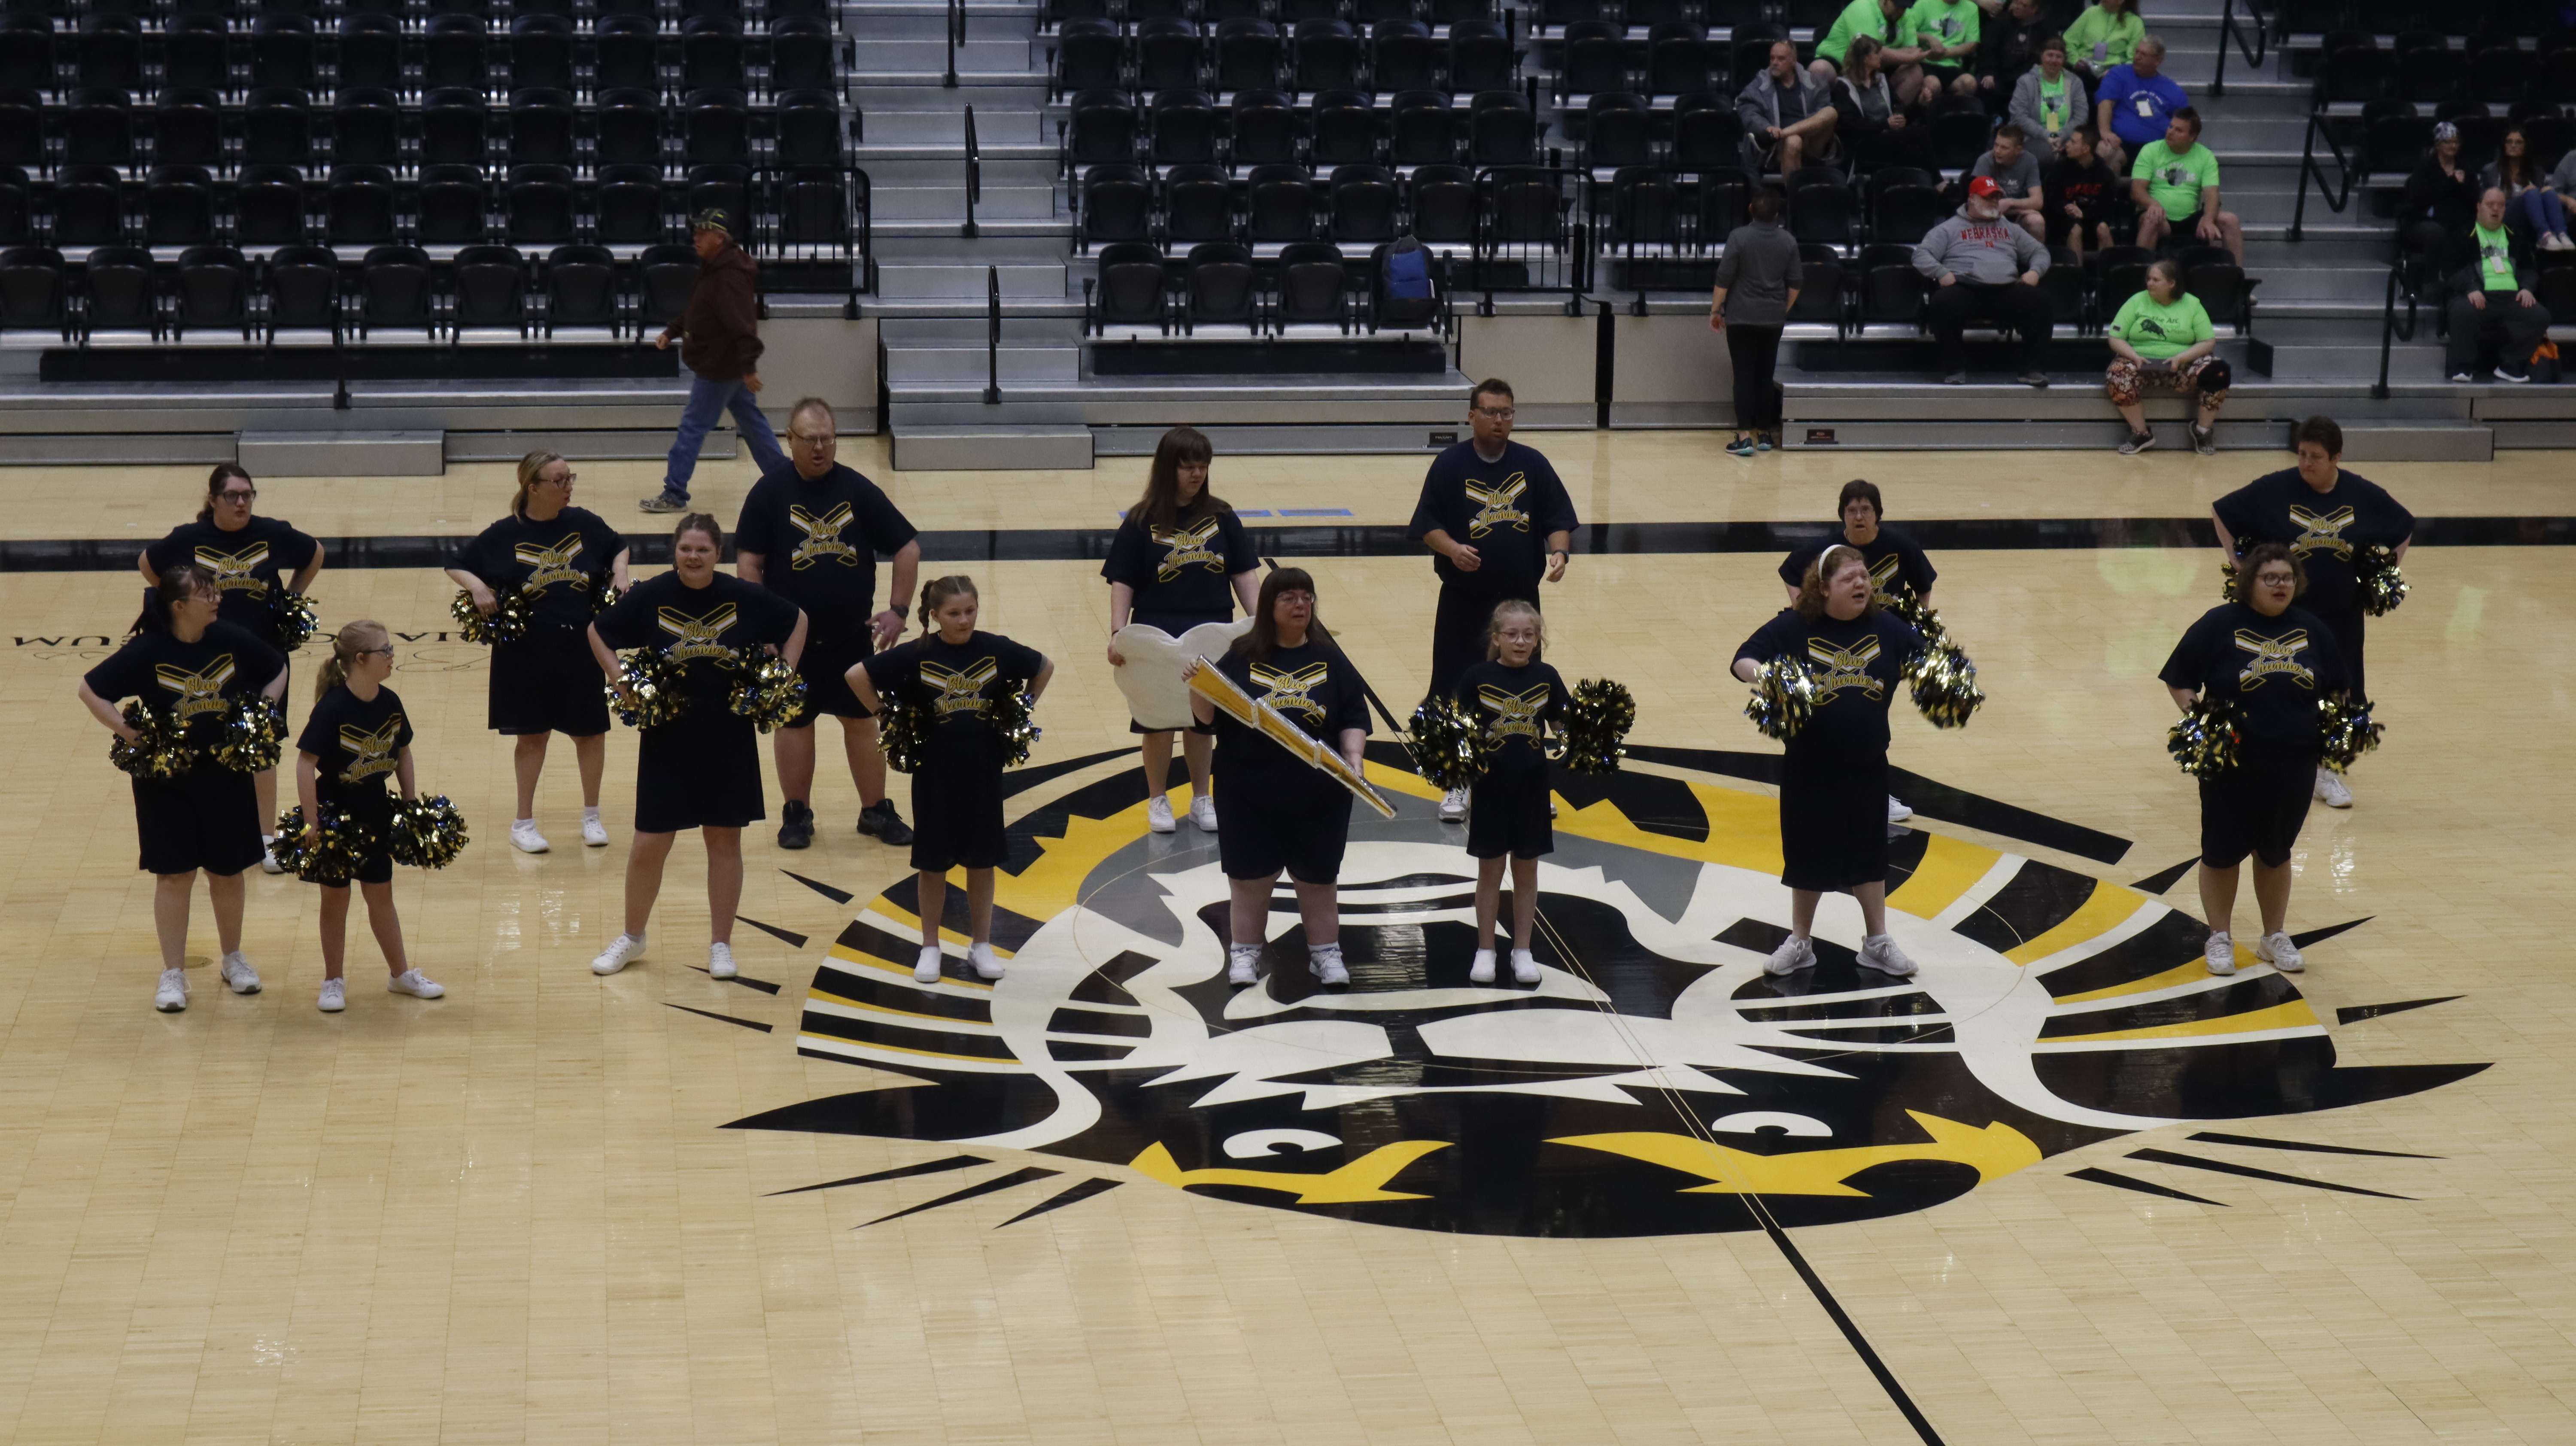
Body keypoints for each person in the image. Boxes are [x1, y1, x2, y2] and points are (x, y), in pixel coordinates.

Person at [585, 513, 808, 979]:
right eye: (686, 548)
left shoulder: (742, 595)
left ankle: (720, 944)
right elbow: (598, 632)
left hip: (729, 735)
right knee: (648, 844)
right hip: (668, 734)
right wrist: (619, 678)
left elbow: (798, 620)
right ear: (675, 551)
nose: (693, 556)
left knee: (724, 841)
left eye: (703, 549)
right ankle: (633, 935)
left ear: (717, 554)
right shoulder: (652, 595)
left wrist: (780, 676)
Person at [77, 564, 288, 1012]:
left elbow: (277, 667)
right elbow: (90, 689)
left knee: (228, 873)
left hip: (225, 774)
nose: (216, 598)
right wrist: (129, 733)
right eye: (205, 593)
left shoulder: (230, 639)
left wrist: (259, 714)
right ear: (178, 606)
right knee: (174, 875)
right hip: (166, 780)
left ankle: (233, 958)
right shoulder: (148, 650)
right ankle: (173, 973)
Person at [734, 398, 922, 851]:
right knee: (794, 724)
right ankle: (796, 813)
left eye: (827, 438)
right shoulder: (769, 492)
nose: (819, 447)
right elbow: (749, 563)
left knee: (861, 722)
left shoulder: (857, 490)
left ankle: (874, 809)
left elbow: (907, 546)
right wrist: (763, 630)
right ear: (790, 440)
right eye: (810, 439)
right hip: (791, 644)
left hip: (850, 638)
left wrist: (898, 609)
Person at [1730, 545, 1926, 979]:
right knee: (1806, 855)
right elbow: (1743, 657)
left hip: (1867, 764)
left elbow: (1928, 660)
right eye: (1848, 578)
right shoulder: (1796, 625)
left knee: (1870, 856)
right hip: (1809, 765)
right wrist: (1769, 679)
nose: (1861, 583)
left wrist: (1946, 674)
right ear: (1823, 588)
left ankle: (1877, 942)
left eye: (1864, 576)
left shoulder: (1887, 627)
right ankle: (1801, 940)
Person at [852, 576, 1054, 985]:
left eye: (970, 611)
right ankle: (930, 946)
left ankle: (982, 944)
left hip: (983, 769)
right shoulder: (917, 654)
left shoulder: (995, 648)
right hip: (934, 772)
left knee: (982, 861)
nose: (964, 620)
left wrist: (1021, 709)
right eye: (954, 613)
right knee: (933, 863)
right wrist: (886, 716)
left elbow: (1044, 666)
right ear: (934, 616)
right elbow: (858, 675)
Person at [2158, 543, 2346, 977]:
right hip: (2232, 761)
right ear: (2250, 583)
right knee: (2222, 852)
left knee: (2276, 852)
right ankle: (2220, 937)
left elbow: (2338, 689)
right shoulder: (2219, 623)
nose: (2281, 585)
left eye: (2287, 578)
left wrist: (2333, 731)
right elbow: (2179, 679)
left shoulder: (2313, 629)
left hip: (2294, 760)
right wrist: (2204, 722)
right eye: (2271, 578)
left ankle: (2273, 936)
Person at [2210, 416, 2412, 810]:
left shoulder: (2360, 493)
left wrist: (2384, 573)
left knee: (2341, 692)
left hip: (2341, 616)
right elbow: (2222, 513)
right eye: (2302, 454)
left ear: (2336, 457)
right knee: (2280, 683)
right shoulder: (2276, 488)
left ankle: (2327, 772)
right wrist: (2241, 565)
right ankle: (2271, 765)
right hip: (2285, 615)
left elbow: (2403, 526)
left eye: (2316, 457)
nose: (2306, 463)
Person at [1185, 568, 1371, 990]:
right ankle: (1245, 953)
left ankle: (1326, 954)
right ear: (1269, 607)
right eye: (1289, 597)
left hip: (1319, 793)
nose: (1301, 604)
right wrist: (1197, 686)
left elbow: (1354, 717)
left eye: (1307, 596)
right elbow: (1206, 718)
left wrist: (1354, 758)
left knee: (1318, 880)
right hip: (1247, 791)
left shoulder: (1331, 657)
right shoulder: (1242, 656)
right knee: (1250, 881)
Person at [1406, 379, 1578, 823]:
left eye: (1507, 412)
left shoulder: (1532, 464)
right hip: (1465, 603)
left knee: (1525, 691)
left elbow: (1559, 518)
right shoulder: (1450, 465)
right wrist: (1451, 549)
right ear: (1472, 415)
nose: (1500, 420)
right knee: (1456, 689)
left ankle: (1531, 783)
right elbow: (1427, 523)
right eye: (1491, 411)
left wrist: (1559, 552)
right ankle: (1458, 780)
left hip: (1521, 605)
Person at [140, 465, 322, 875]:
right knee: (207, 737)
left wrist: (290, 598)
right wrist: (176, 606)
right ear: (213, 500)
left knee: (262, 742)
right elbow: (147, 564)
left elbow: (315, 553)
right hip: (208, 657)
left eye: (248, 495)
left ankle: (266, 839)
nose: (241, 503)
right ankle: (208, 832)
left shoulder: (271, 532)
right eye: (232, 496)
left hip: (263, 654)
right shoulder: (189, 539)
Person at [445, 450, 628, 854]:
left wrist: (620, 570)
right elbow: (457, 563)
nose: (568, 487)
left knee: (590, 733)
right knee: (532, 737)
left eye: (570, 478)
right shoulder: (505, 533)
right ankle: (523, 823)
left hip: (581, 645)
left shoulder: (583, 523)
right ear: (534, 488)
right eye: (559, 481)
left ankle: (592, 816)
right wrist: (477, 587)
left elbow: (619, 545)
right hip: (525, 651)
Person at [1101, 426, 1260, 832]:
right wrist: (1118, 633)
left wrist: (1260, 625)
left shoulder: (1222, 516)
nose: (1196, 474)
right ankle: (1157, 800)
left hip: (1210, 629)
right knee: (1157, 721)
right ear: (1167, 469)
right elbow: (1123, 581)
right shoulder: (1141, 521)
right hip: (1156, 631)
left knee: (1201, 720)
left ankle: (1201, 797)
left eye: (1203, 466)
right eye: (1188, 466)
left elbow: (1243, 573)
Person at [294, 620, 445, 1013]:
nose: (393, 656)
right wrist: (312, 822)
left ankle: (400, 975)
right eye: (386, 651)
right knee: (336, 898)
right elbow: (304, 764)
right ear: (360, 660)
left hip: (375, 808)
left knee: (381, 894)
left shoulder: (390, 701)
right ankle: (333, 981)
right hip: (336, 815)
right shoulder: (332, 708)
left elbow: (404, 752)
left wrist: (412, 808)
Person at [1777, 479, 1936, 824]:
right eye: (1852, 511)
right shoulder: (1827, 552)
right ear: (1842, 516)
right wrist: (1805, 608)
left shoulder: (1901, 546)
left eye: (1866, 510)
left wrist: (1914, 627)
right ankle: (1823, 788)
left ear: (1878, 514)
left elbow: (1924, 586)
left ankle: (1877, 793)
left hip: (1881, 645)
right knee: (1830, 712)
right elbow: (1790, 571)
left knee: (1873, 716)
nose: (1859, 517)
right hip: (1831, 643)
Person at [641, 209, 787, 514]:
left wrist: (748, 366)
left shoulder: (728, 276)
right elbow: (698, 309)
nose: (695, 238)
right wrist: (673, 331)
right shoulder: (714, 268)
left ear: (719, 238)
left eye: (702, 233)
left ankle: (674, 493)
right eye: (695, 233)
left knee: (692, 427)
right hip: (726, 365)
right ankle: (785, 483)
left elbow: (743, 324)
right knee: (753, 424)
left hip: (720, 368)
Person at [1455, 600, 1564, 987]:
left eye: (1529, 635)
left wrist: (1587, 739)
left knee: (1527, 871)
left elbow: (1561, 724)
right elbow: (1456, 731)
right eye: (1512, 635)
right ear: (1497, 638)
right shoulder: (1477, 677)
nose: (1521, 642)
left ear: (1538, 640)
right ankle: (1485, 949)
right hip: (1490, 786)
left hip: (1533, 786)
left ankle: (1523, 950)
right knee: (1490, 871)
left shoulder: (1548, 677)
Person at [1912, 176, 2055, 387]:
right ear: (1972, 199)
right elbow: (1920, 255)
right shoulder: (1949, 228)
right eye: (1989, 198)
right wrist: (1941, 272)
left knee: (2041, 301)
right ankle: (1955, 369)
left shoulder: (2009, 228)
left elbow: (2040, 252)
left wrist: (2035, 272)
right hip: (1966, 289)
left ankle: (2032, 369)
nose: (1994, 203)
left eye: (1997, 198)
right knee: (1942, 302)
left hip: (2006, 289)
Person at [1711, 190, 1803, 459]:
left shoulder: (1738, 237)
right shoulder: (1788, 241)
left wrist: (1716, 310)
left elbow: (1724, 278)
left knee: (1744, 376)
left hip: (1741, 317)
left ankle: (1743, 437)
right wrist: (1781, 309)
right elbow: (1796, 283)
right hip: (1772, 318)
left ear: (1751, 208)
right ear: (1777, 215)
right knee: (1765, 375)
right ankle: (1765, 434)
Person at [2106, 258, 2229, 456]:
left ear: (2172, 283)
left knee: (2219, 372)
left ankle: (2203, 431)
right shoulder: (2137, 300)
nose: (2150, 284)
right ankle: (2141, 434)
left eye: (2156, 280)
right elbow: (2115, 338)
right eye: (2149, 279)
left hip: (2181, 365)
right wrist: (2134, 356)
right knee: (2117, 374)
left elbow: (2208, 342)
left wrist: (2181, 358)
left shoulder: (2192, 304)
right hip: (2140, 363)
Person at [2443, 188, 2549, 385]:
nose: (2495, 209)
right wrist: (2470, 288)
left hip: (2512, 297)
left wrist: (2526, 288)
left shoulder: (2515, 235)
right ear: (2479, 207)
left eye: (2500, 205)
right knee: (2462, 310)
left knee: (2540, 315)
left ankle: (2510, 365)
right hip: (2480, 294)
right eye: (2490, 205)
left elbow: (2529, 268)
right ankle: (2463, 366)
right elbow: (2450, 269)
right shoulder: (2464, 235)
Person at [2130, 107, 2242, 264]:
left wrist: (2208, 219)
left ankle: (2236, 279)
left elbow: (2212, 195)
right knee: (2152, 219)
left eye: (2179, 131)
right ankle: (2142, 276)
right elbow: (2136, 190)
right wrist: (2152, 204)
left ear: (2192, 137)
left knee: (2230, 220)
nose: (2170, 132)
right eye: (2171, 127)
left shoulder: (2206, 156)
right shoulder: (2150, 151)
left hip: (2191, 218)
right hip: (2161, 218)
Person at [1737, 40, 1840, 176]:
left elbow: (1821, 115)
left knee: (1830, 112)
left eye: (1781, 59)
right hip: (1777, 145)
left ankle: (1786, 132)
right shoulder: (1761, 83)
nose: (1774, 63)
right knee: (1793, 141)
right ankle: (1794, 196)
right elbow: (1747, 108)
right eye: (1772, 58)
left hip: (1811, 140)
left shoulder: (1814, 83)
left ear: (1793, 61)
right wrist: (1766, 127)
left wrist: (1797, 131)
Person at [1829, 36, 1932, 170]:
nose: (1881, 56)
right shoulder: (1843, 87)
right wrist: (1886, 124)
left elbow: (1901, 115)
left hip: (1887, 138)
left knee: (1919, 135)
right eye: (1877, 53)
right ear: (1865, 59)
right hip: (1863, 145)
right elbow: (1851, 125)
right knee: (1915, 138)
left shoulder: (1882, 81)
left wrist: (1920, 104)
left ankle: (1930, 184)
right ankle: (1938, 184)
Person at [2093, 34, 2184, 173]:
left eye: (2144, 55)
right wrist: (2105, 132)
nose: (2137, 58)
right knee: (2105, 150)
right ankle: (2110, 195)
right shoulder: (2119, 74)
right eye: (2137, 52)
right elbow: (2105, 102)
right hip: (2122, 144)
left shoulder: (2173, 90)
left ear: (2158, 61)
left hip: (2158, 147)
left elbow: (2184, 122)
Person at [1811, 0, 1930, 106]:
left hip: (1878, 66)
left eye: (1904, 7)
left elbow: (1913, 49)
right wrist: (1908, 57)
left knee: (1914, 72)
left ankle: (1891, 118)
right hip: (1840, 61)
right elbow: (1869, 51)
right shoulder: (1862, 6)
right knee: (1819, 69)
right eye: (1897, 5)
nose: (1901, 11)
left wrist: (1895, 55)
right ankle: (1822, 119)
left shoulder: (1906, 15)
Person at [2399, 124, 2480, 267]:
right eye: (2448, 142)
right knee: (2437, 233)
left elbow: (2474, 199)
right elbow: (2420, 199)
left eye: (2456, 142)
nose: (2453, 146)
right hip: (2425, 219)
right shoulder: (2425, 168)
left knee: (2471, 230)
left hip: (2459, 219)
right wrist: (2451, 183)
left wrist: (2462, 185)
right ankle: (2431, 282)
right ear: (2438, 144)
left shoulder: (2465, 167)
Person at [2044, 124, 2124, 257]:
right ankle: (2077, 275)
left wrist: (2084, 214)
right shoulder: (2058, 169)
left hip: (2092, 219)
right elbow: (2051, 202)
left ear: (2086, 149)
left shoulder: (2104, 173)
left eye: (2073, 142)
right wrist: (2068, 209)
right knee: (2076, 229)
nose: (2067, 144)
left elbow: (2108, 208)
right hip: (2064, 221)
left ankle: (2109, 273)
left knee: (2104, 228)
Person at [2482, 126, 2567, 252]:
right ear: (2504, 145)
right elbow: (2485, 201)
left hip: (2529, 219)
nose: (2513, 145)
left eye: (2518, 142)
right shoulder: (2491, 171)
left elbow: (2539, 202)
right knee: (2532, 192)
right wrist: (2524, 195)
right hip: (2503, 214)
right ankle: (2544, 235)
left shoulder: (2537, 172)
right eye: (2509, 142)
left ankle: (2562, 235)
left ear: (2525, 147)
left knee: (2548, 192)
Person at [2010, 34, 2089, 156]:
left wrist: (2061, 136)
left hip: (2067, 138)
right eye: (2050, 55)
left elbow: (2081, 116)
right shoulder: (2026, 82)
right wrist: (2048, 136)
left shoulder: (2075, 83)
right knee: (2048, 153)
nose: (2054, 60)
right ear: (2042, 56)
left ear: (2064, 60)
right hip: (2032, 139)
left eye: (2059, 57)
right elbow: (2019, 116)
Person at [1968, 122, 2048, 241]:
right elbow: (1978, 204)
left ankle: (2037, 258)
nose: (1997, 151)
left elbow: (2038, 201)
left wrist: (2010, 203)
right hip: (1990, 215)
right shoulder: (1985, 161)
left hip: (2017, 215)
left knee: (2037, 221)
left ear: (2018, 150)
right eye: (1996, 145)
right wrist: (2022, 208)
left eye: (2004, 148)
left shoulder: (2030, 161)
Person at [1902, 0, 1982, 100]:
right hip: (1926, 60)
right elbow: (1907, 30)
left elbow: (1972, 44)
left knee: (1969, 83)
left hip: (1952, 63)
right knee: (1933, 85)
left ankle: (1949, 113)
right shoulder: (1924, 3)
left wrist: (1945, 54)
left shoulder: (1971, 8)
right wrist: (1928, 38)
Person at [1977, 0, 2050, 106]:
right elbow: (1989, 50)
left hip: (2028, 76)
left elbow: (2050, 51)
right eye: (2016, 2)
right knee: (1986, 85)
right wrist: (1989, 72)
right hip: (2000, 74)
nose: (2017, 7)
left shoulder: (2044, 27)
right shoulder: (2001, 22)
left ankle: (2051, 121)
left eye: (2023, 5)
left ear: (2034, 9)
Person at [2063, 0, 2144, 87]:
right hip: (2084, 69)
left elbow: (2135, 58)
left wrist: (2116, 73)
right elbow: (2068, 40)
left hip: (2114, 74)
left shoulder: (2135, 22)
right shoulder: (2091, 13)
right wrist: (2075, 61)